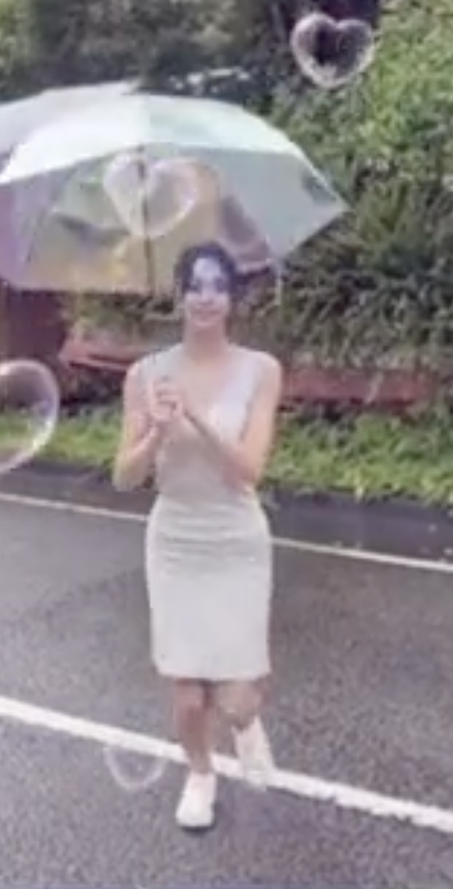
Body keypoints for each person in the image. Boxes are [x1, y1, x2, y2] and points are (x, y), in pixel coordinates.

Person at [112, 240, 284, 832]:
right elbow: (124, 476)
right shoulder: (145, 375)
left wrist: (197, 418)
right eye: (195, 285)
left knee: (235, 696)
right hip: (176, 539)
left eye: (218, 286)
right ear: (179, 296)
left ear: (232, 298)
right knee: (187, 693)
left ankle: (246, 723)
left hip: (235, 538)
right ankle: (201, 774)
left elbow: (249, 470)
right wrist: (157, 432)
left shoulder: (261, 370)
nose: (206, 297)